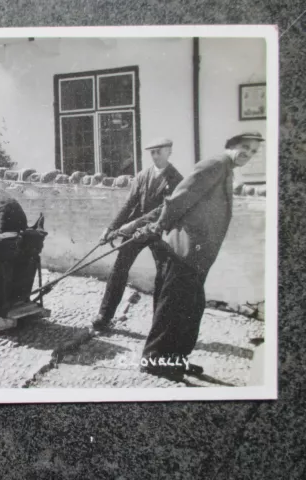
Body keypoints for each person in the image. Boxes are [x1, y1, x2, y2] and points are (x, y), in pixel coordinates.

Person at [132, 131, 265, 379]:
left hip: (199, 255)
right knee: (172, 308)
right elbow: (178, 200)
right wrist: (159, 226)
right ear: (231, 145)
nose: (248, 154)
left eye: (254, 151)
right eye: (244, 148)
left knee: (191, 309)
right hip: (184, 250)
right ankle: (154, 360)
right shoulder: (214, 165)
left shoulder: (225, 169)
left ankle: (176, 360)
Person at [92, 138, 184, 331]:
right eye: (152, 152)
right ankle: (104, 314)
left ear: (169, 152)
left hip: (160, 231)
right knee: (119, 268)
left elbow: (162, 210)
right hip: (136, 232)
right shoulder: (143, 175)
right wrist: (110, 228)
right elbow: (129, 204)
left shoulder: (177, 179)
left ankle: (159, 322)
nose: (155, 155)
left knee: (163, 275)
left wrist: (133, 224)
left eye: (159, 151)